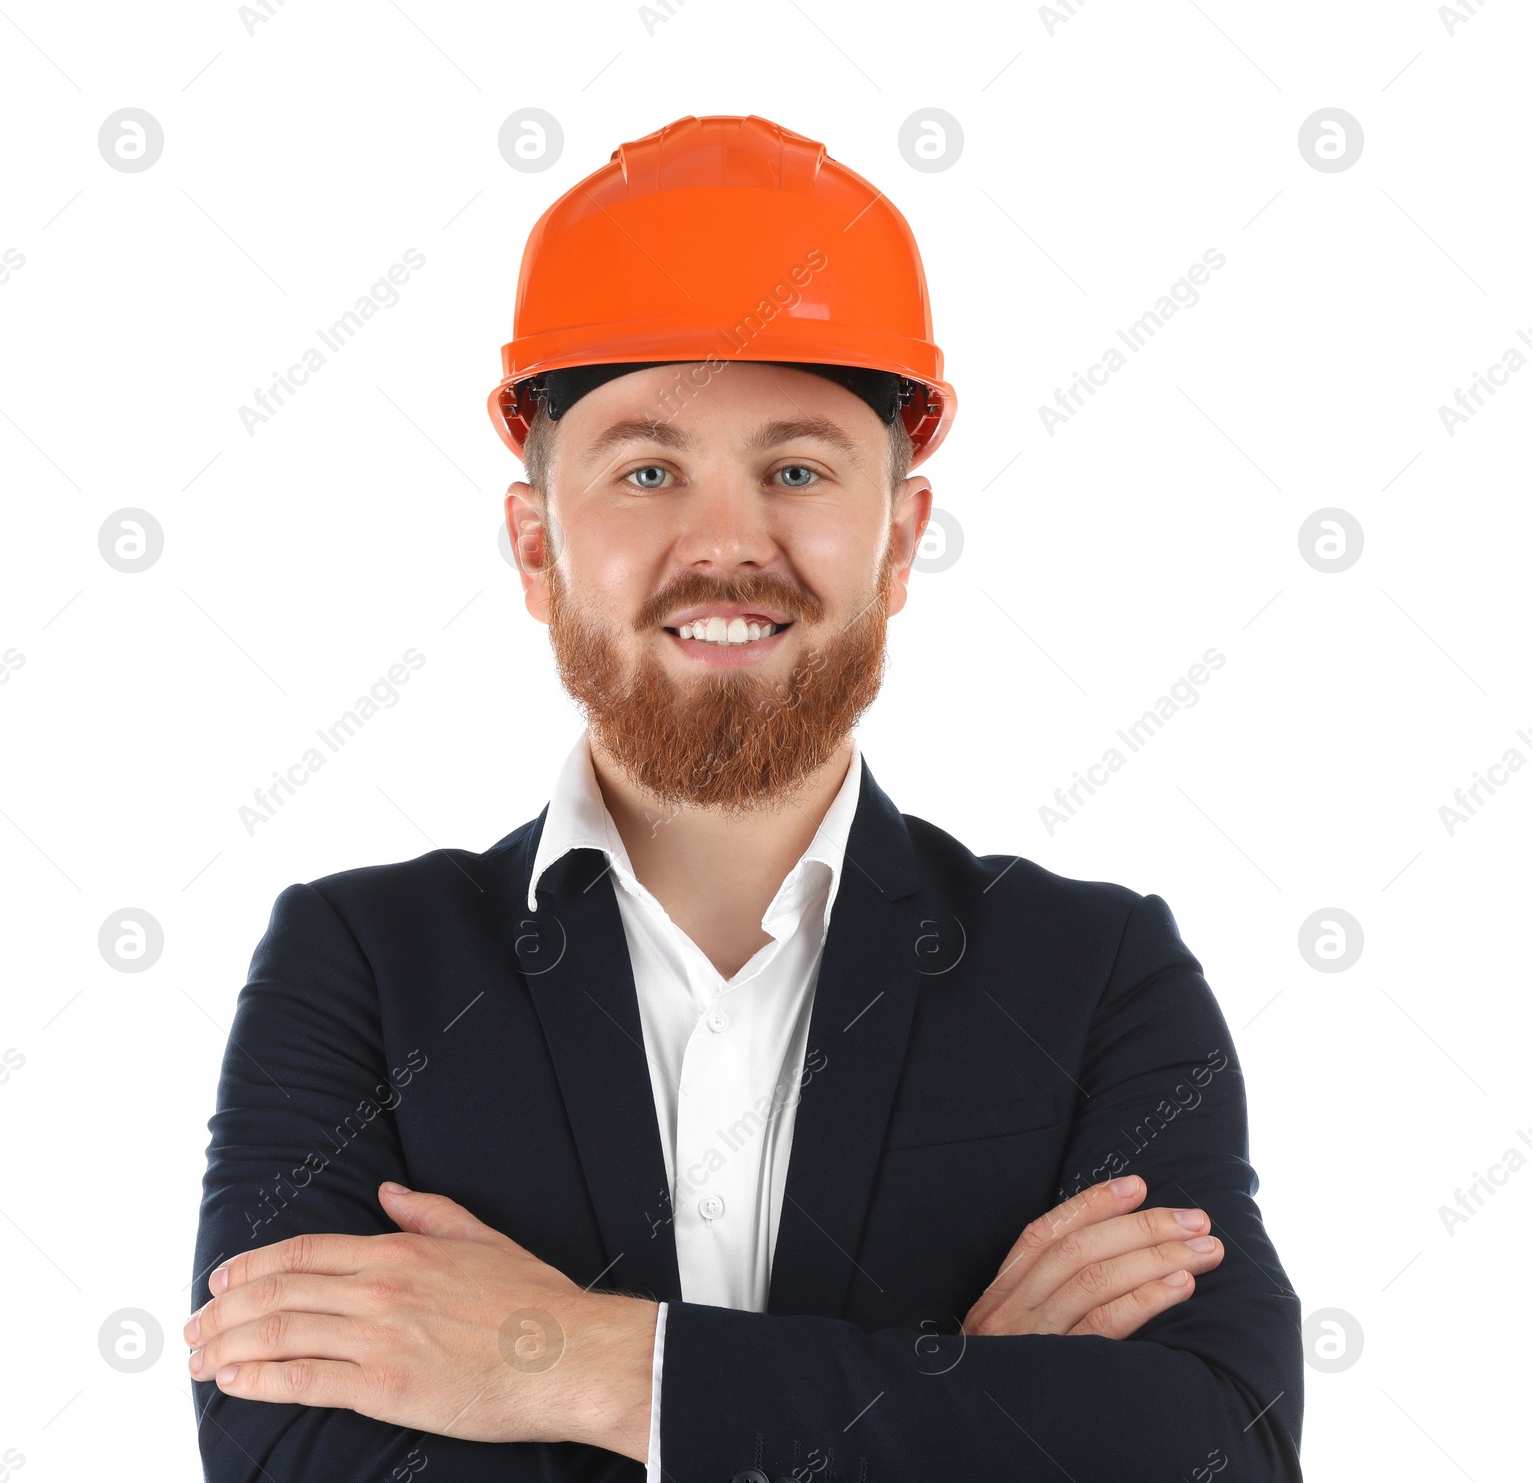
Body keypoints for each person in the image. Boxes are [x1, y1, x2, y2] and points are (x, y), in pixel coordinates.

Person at [188, 114, 1303, 1482]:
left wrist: (584, 1364)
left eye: (796, 470)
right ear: (538, 547)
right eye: (647, 472)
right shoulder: (358, 966)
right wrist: (975, 1394)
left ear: (899, 538)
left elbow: (1219, 1452)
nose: (724, 545)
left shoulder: (1095, 972)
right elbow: (282, 1455)